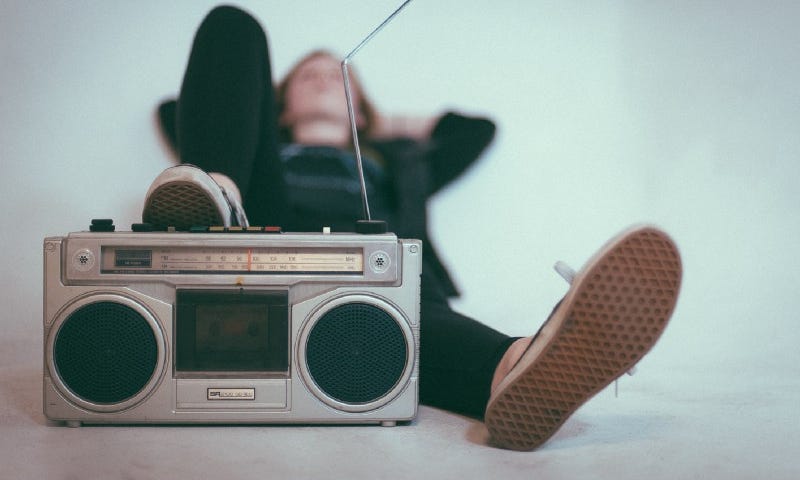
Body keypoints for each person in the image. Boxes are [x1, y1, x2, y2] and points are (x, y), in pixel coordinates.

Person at [145, 5, 682, 451]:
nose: (324, 79)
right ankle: (218, 198)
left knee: (409, 305)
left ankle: (518, 366)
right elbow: (181, 109)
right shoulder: (263, 150)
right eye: (308, 77)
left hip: (377, 273)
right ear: (278, 102)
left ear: (361, 112)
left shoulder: (400, 162)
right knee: (233, 22)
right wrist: (255, 124)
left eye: (339, 77)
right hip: (265, 238)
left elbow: (476, 131)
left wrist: (377, 122)